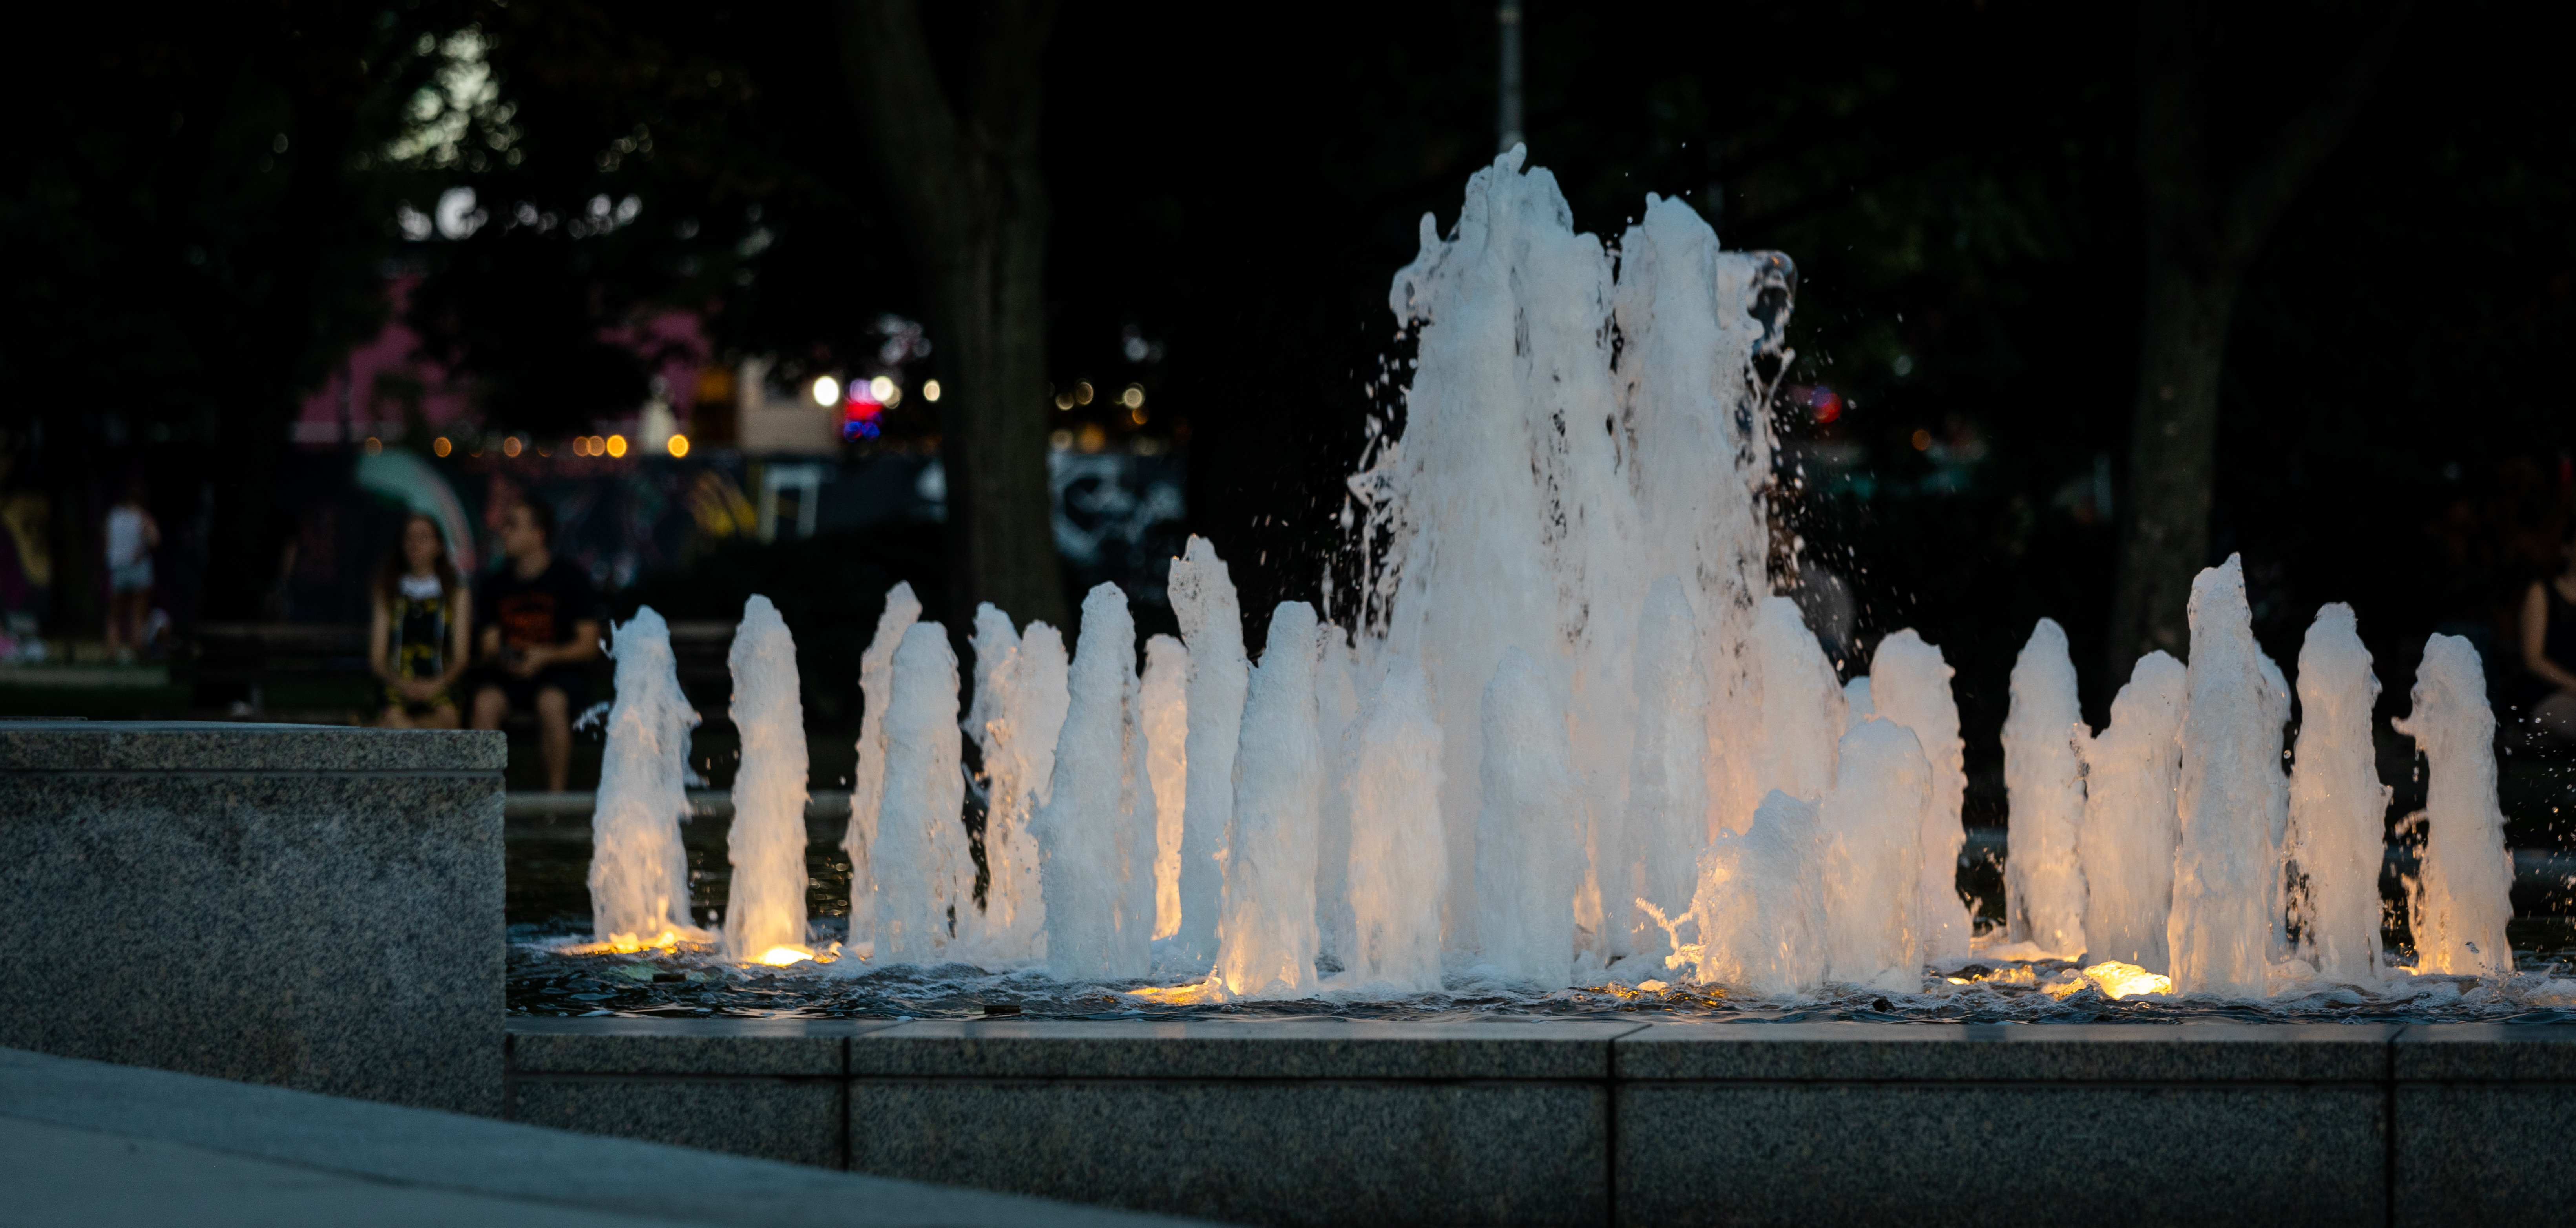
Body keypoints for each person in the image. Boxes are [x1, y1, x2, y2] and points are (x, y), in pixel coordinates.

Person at [471, 500, 604, 791]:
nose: (504, 532)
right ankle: (482, 800)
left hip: (557, 674)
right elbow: (489, 646)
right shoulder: (495, 585)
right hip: (510, 674)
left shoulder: (570, 580)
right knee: (485, 702)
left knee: (551, 702)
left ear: (539, 534)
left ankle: (554, 803)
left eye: (513, 525)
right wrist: (510, 658)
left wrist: (544, 656)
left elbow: (588, 645)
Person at [369, 514, 473, 729]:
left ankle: (402, 729)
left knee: (448, 720)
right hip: (398, 683)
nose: (415, 545)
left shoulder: (456, 592)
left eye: (423, 538)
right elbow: (378, 660)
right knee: (393, 717)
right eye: (409, 538)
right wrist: (401, 684)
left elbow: (461, 658)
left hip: (441, 683)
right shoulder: (387, 590)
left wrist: (435, 685)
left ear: (439, 547)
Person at [2522, 528, 2576, 744]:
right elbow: (2534, 661)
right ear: (2567, 549)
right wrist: (2573, 685)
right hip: (2549, 696)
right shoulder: (2542, 592)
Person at [103, 483, 160, 663]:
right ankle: (137, 651)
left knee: (115, 615)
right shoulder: (142, 516)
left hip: (118, 568)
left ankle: (112, 652)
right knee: (138, 613)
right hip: (138, 569)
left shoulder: (114, 516)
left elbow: (107, 542)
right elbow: (155, 539)